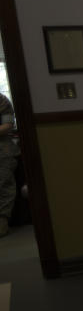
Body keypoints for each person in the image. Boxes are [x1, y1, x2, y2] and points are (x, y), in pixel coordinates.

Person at [0, 92, 18, 237]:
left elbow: (8, 125)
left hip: (2, 150)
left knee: (3, 185)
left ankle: (2, 223)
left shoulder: (2, 100)